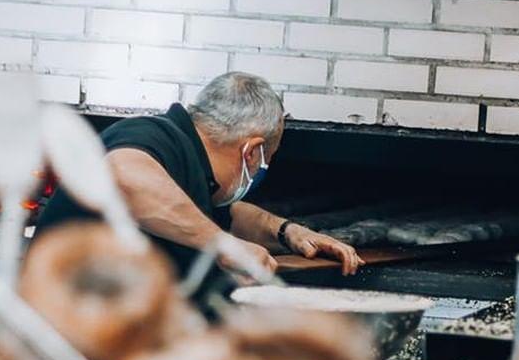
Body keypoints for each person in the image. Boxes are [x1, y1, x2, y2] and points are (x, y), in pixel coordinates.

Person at [35, 72, 362, 281]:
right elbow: (122, 176)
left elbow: (225, 215)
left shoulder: (192, 171)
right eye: (267, 160)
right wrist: (225, 246)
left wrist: (288, 232)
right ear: (251, 152)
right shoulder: (153, 134)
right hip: (61, 328)